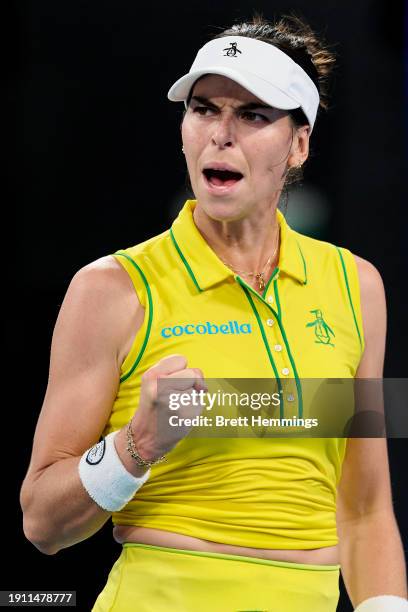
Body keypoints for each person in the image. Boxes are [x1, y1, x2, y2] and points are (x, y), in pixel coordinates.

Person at [20, 13, 408, 612]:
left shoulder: (358, 286)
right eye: (203, 109)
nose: (219, 134)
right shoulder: (111, 289)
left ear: (300, 145)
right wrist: (136, 447)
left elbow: (365, 508)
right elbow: (42, 522)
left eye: (252, 115)